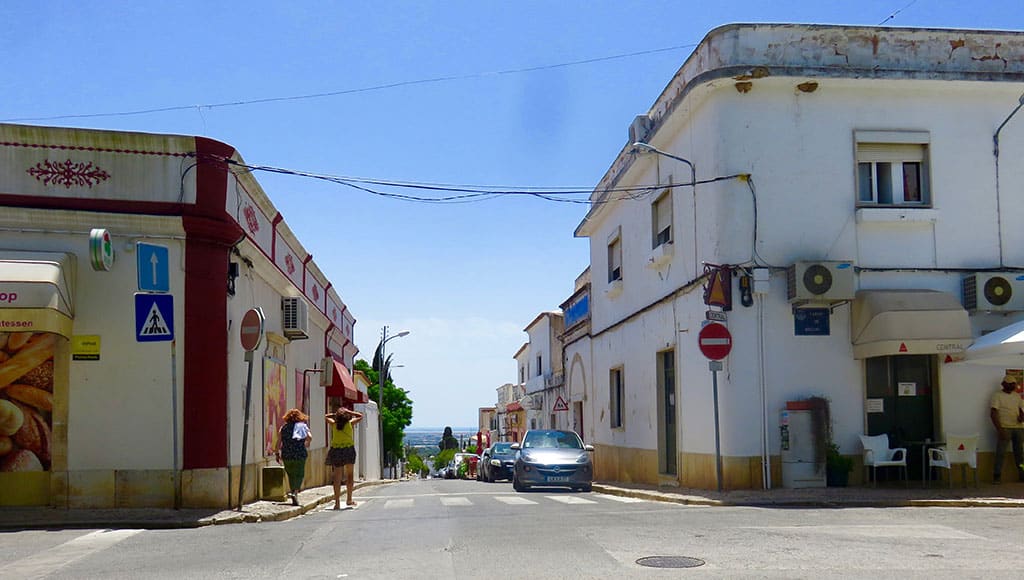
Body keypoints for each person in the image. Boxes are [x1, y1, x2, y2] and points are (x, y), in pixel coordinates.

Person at [325, 406, 363, 509]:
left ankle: (337, 502)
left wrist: (335, 414)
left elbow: (326, 416)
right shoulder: (350, 423)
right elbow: (360, 416)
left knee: (337, 477)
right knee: (349, 475)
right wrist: (349, 411)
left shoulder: (334, 424)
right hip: (348, 449)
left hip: (336, 450)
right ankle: (349, 499)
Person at [990, 374, 1024, 484]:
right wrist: (1000, 430)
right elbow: (993, 413)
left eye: (1014, 384)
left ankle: (1022, 475)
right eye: (1010, 384)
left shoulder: (1017, 396)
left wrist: (1021, 417)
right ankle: (997, 476)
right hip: (1004, 428)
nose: (1013, 386)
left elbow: (1021, 409)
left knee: (1020, 453)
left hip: (1018, 428)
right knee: (1001, 453)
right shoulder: (997, 395)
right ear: (1004, 384)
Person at [274, 409, 311, 506]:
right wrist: (306, 444)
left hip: (287, 454)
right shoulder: (302, 426)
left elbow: (278, 442)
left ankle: (293, 492)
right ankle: (295, 492)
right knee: (299, 474)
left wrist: (277, 453)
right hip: (299, 453)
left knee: (291, 474)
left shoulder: (284, 428)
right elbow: (309, 437)